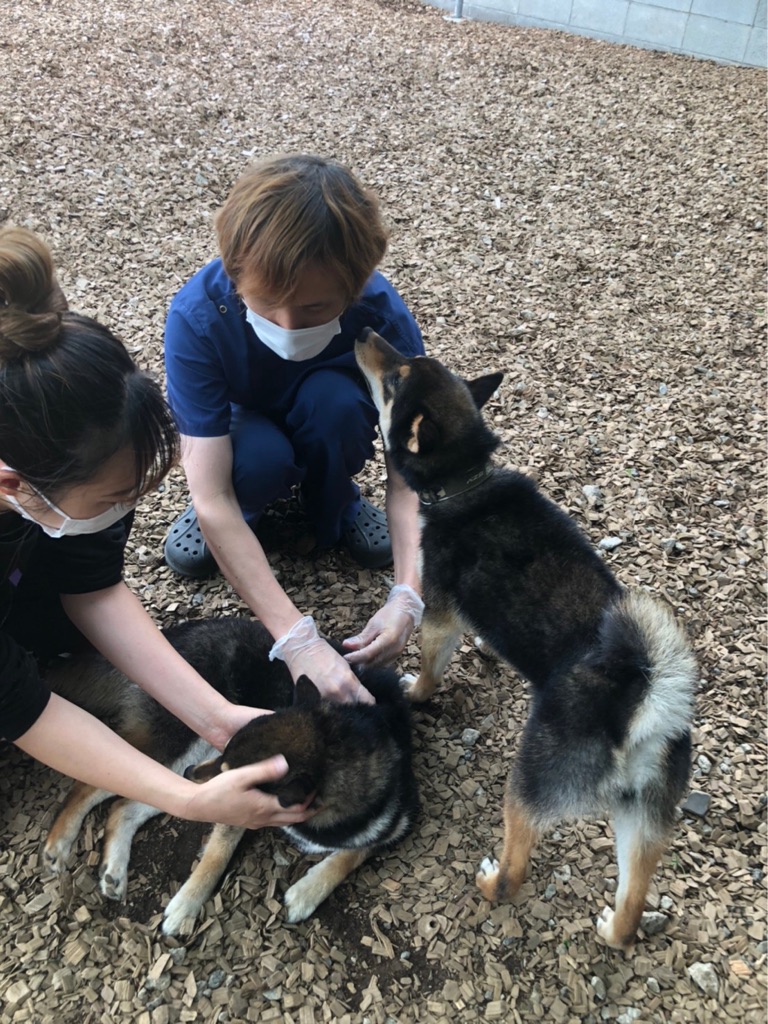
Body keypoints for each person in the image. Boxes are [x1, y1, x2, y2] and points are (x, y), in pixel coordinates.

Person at [0, 225, 312, 832]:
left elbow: (93, 590)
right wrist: (187, 798)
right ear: (15, 485)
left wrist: (218, 720)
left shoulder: (68, 417)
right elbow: (21, 708)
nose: (126, 509)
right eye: (112, 498)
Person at [163, 154, 425, 703]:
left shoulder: (383, 318)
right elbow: (210, 492)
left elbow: (411, 475)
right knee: (255, 460)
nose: (286, 325)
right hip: (244, 424)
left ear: (356, 286)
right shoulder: (197, 317)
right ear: (234, 274)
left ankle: (336, 503)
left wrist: (409, 593)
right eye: (265, 303)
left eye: (314, 308)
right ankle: (246, 515)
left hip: (327, 407)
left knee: (337, 408)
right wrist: (295, 639)